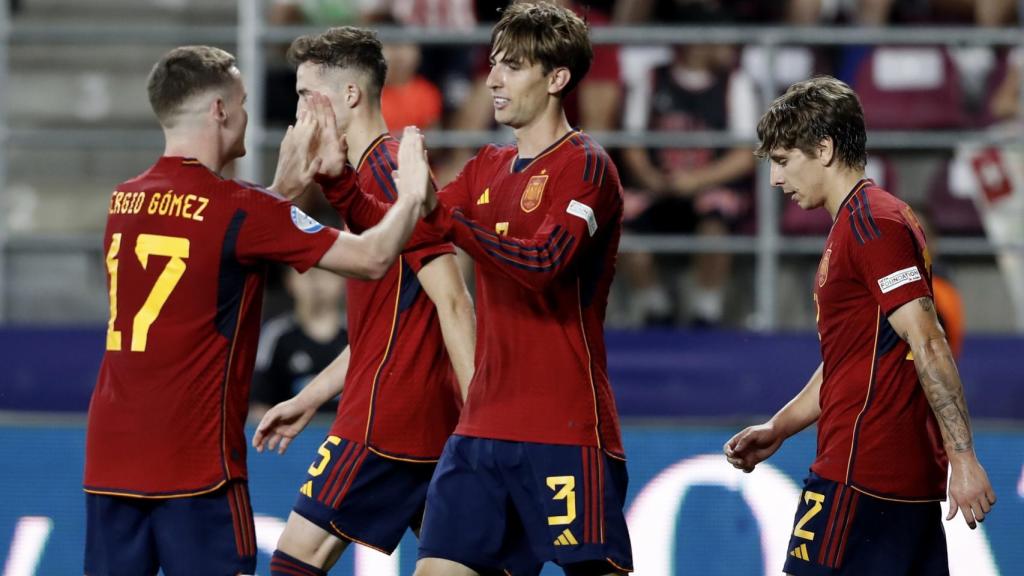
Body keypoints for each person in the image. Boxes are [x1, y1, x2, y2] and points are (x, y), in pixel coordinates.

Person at [82, 45, 434, 576]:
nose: (250, 114)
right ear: (220, 111)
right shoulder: (243, 210)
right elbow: (373, 257)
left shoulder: (123, 200)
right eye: (243, 102)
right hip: (196, 473)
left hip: (107, 464)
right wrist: (410, 196)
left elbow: (212, 239)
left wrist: (282, 192)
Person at [723, 76, 996, 576]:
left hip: (859, 474)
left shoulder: (873, 225)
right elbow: (848, 363)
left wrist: (963, 457)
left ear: (823, 149)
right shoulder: (862, 222)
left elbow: (928, 341)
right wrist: (778, 428)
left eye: (783, 161)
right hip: (890, 481)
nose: (775, 180)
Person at [408, 3, 633, 574]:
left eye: (511, 66)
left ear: (557, 79)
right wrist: (341, 177)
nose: (492, 80)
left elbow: (543, 264)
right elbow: (409, 225)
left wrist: (450, 220)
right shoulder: (487, 165)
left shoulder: (588, 167)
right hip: (481, 427)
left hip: (565, 425)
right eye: (491, 64)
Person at [249, 27, 476, 575]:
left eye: (307, 95)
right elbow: (388, 326)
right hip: (418, 415)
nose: (298, 109)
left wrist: (483, 419)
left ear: (350, 96)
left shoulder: (392, 171)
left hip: (386, 419)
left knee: (292, 564)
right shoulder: (366, 176)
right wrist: (312, 397)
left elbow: (453, 301)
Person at [250, 266, 349, 421]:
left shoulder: (357, 335)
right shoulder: (276, 335)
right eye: (306, 272)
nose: (317, 281)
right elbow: (259, 404)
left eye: (328, 273)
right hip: (293, 441)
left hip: (348, 438)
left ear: (345, 280)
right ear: (289, 281)